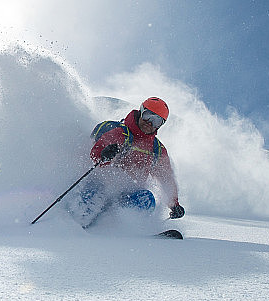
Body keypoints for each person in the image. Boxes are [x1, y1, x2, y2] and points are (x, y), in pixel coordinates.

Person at [67, 97, 185, 228]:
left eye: (156, 121)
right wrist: (105, 154)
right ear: (141, 111)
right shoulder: (121, 133)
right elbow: (96, 153)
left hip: (125, 197)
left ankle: (119, 231)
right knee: (95, 192)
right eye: (148, 116)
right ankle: (74, 227)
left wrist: (174, 204)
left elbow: (166, 178)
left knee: (147, 199)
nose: (149, 123)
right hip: (100, 186)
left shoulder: (156, 150)